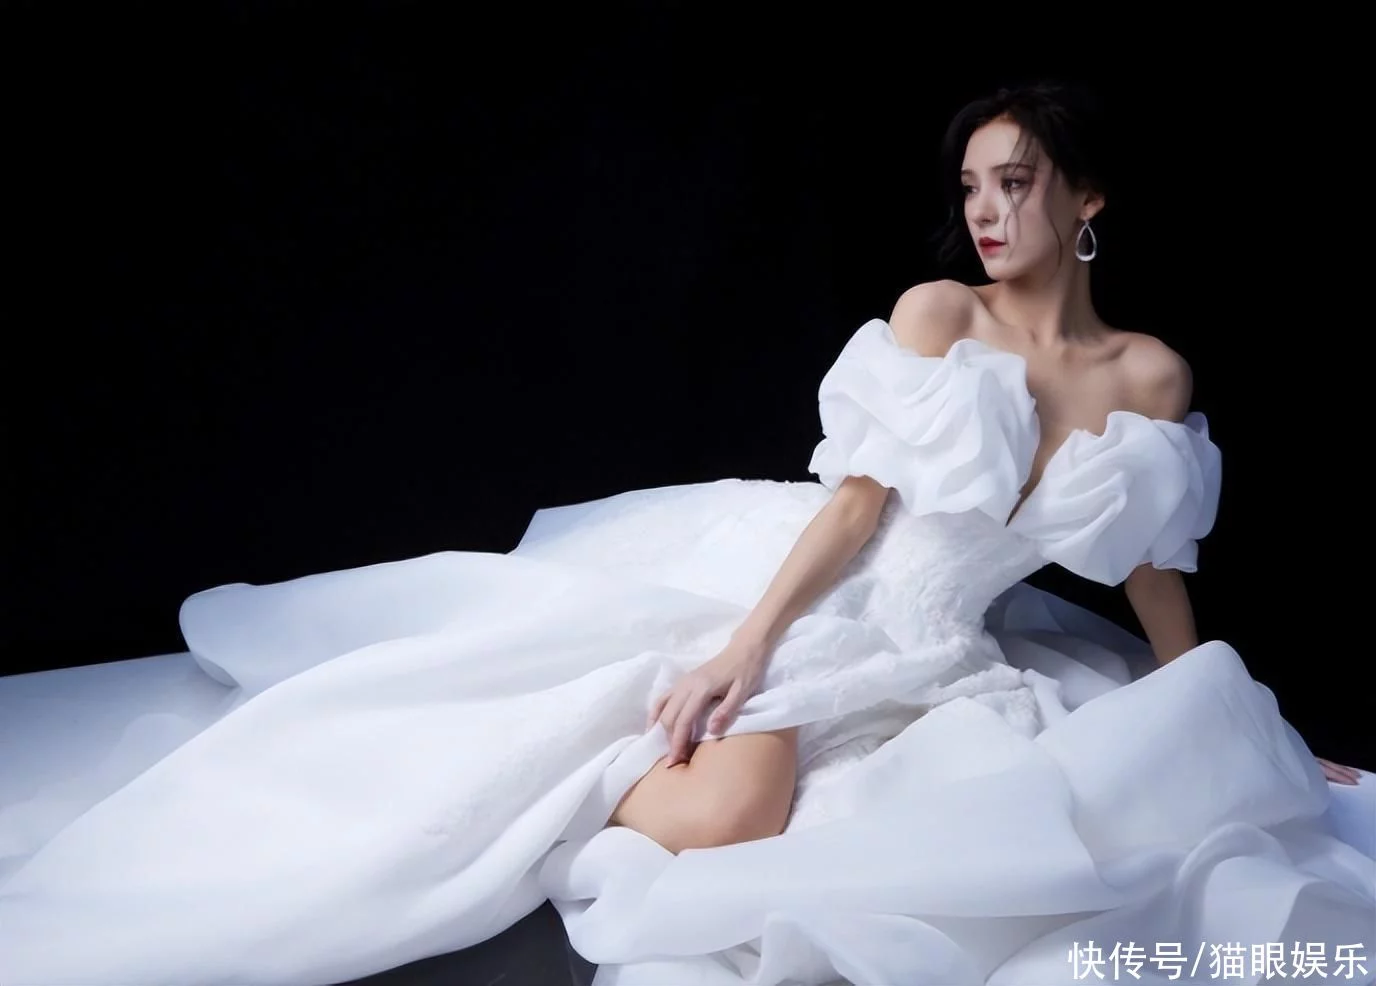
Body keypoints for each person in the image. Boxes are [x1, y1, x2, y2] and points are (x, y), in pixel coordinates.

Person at [1, 82, 1371, 986]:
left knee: (1002, 830)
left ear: (1088, 200)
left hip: (949, 646)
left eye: (1015, 184)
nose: (986, 213)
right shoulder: (940, 315)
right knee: (723, 814)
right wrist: (747, 645)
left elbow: (1151, 564)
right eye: (971, 187)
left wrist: (1219, 709)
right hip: (823, 586)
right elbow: (857, 505)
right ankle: (562, 764)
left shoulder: (1150, 378)